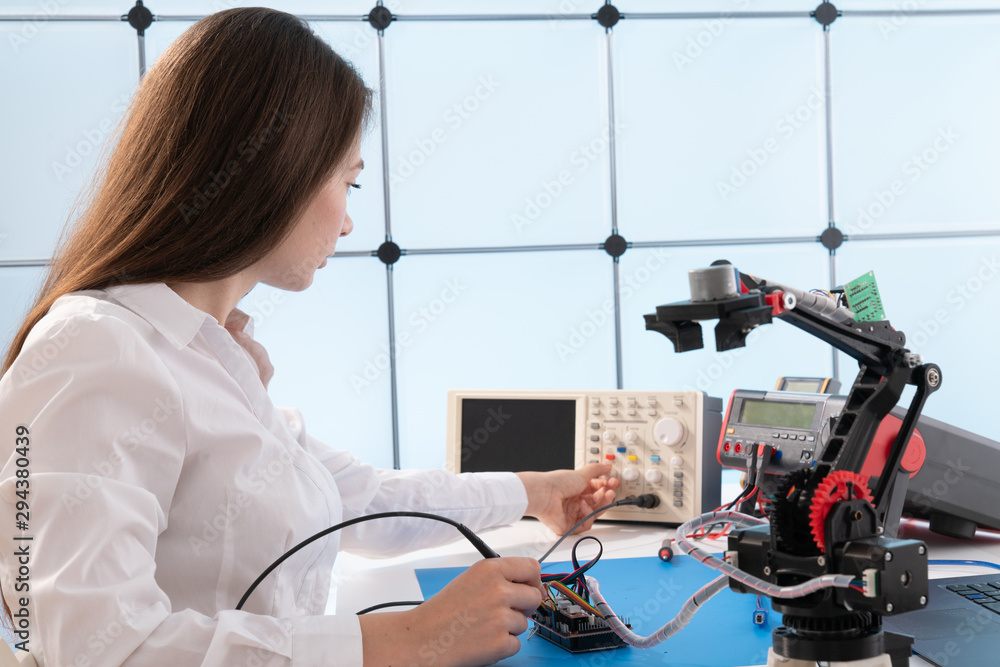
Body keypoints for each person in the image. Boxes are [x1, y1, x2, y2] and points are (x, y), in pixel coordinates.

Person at [0, 8, 619, 667]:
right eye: (347, 183)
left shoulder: (212, 358)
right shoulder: (98, 350)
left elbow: (357, 496)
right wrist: (406, 641)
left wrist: (536, 490)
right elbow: (94, 649)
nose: (350, 223)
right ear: (273, 167)